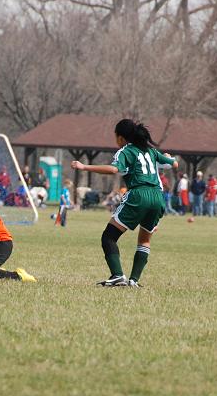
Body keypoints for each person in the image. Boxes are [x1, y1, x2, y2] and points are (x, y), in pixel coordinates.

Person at [71, 119, 178, 287]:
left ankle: (117, 275)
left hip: (138, 195)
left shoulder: (126, 151)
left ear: (120, 137)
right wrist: (169, 158)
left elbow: (113, 170)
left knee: (109, 237)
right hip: (158, 197)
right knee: (144, 240)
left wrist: (84, 167)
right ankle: (134, 281)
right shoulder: (151, 151)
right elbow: (174, 163)